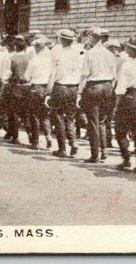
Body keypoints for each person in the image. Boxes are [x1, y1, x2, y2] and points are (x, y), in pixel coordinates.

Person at [77, 27, 117, 163]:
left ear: (93, 37)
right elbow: (114, 77)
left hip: (94, 87)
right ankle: (104, 150)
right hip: (108, 87)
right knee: (102, 121)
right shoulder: (110, 54)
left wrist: (79, 92)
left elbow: (84, 74)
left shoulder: (90, 53)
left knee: (93, 122)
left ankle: (95, 154)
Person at [47, 29, 83, 158]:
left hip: (60, 86)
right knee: (70, 117)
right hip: (73, 87)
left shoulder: (56, 52)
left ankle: (62, 148)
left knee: (58, 117)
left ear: (61, 39)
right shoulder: (78, 52)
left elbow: (52, 73)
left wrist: (48, 92)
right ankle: (73, 142)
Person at [113, 37, 136, 172]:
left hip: (129, 97)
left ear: (132, 49)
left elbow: (121, 87)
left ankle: (126, 158)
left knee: (120, 129)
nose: (125, 49)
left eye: (128, 47)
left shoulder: (127, 64)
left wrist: (116, 105)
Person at [23, 35, 53, 150]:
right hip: (47, 88)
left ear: (37, 48)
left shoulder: (33, 61)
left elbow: (26, 77)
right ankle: (48, 136)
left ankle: (35, 142)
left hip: (36, 87)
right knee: (45, 115)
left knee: (34, 115)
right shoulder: (50, 61)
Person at [5, 35, 31, 144]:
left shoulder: (12, 58)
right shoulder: (29, 58)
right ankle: (31, 135)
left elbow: (8, 74)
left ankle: (15, 137)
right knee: (26, 112)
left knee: (14, 112)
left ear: (15, 47)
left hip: (16, 86)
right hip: (28, 86)